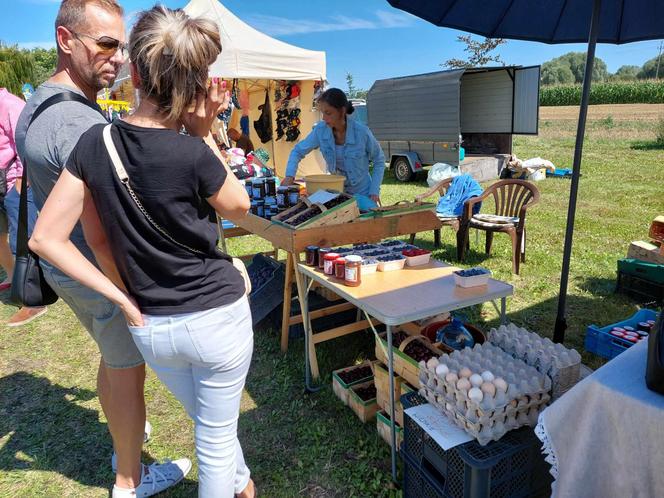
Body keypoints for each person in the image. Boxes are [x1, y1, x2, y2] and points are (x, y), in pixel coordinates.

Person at [30, 5, 255, 498]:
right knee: (215, 437)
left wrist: (124, 298)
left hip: (153, 325)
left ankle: (243, 484)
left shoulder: (95, 142)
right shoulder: (190, 148)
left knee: (206, 419)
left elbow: (47, 238)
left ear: (136, 70)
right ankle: (237, 482)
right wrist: (204, 134)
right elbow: (241, 206)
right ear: (190, 81)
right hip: (216, 317)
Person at [15, 1, 189, 496]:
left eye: (122, 46)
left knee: (112, 361)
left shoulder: (43, 102)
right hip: (96, 271)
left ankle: (123, 440)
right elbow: (103, 224)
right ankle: (129, 479)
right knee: (128, 372)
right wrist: (124, 290)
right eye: (105, 44)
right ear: (66, 40)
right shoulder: (78, 125)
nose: (117, 58)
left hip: (68, 272)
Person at [282, 88, 385, 205]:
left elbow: (379, 160)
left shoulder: (362, 133)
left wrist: (374, 191)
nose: (324, 118)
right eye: (322, 113)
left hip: (363, 193)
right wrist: (289, 176)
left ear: (342, 111)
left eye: (328, 113)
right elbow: (297, 151)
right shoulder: (320, 131)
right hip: (336, 194)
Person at [0, 88, 48, 325]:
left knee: (23, 240)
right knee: (1, 237)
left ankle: (33, 298)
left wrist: (21, 180)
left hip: (13, 184)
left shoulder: (9, 104)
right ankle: (14, 280)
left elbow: (26, 140)